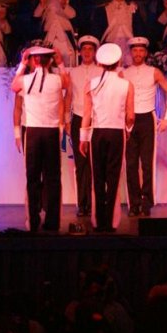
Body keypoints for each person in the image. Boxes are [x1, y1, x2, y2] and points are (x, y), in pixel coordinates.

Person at [11, 45, 69, 232]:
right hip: (51, 132)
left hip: (34, 133)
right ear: (49, 60)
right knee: (53, 178)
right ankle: (52, 222)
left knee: (32, 177)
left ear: (34, 61)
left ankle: (34, 221)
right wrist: (60, 63)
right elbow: (67, 83)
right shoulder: (57, 79)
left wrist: (22, 64)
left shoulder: (25, 80)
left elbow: (13, 86)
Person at [79, 43, 134, 232]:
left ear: (100, 63)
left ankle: (98, 221)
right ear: (118, 62)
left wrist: (83, 138)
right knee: (113, 178)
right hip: (117, 133)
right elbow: (131, 116)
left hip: (98, 133)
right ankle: (111, 222)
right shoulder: (126, 84)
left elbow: (87, 114)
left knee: (98, 177)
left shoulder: (91, 84)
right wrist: (128, 129)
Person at [121, 37, 167, 217]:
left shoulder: (154, 72)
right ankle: (134, 204)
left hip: (147, 118)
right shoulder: (123, 73)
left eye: (141, 50)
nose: (138, 53)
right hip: (129, 120)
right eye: (135, 50)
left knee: (147, 163)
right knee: (131, 163)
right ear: (130, 52)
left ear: (146, 53)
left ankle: (146, 202)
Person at [65, 36, 104, 218]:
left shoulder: (102, 71)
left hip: (97, 120)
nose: (87, 52)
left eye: (90, 49)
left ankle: (97, 203)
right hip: (78, 119)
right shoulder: (72, 72)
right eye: (84, 49)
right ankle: (83, 204)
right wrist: (67, 120)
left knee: (97, 163)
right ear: (79, 52)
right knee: (81, 164)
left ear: (95, 52)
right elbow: (68, 96)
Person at [95, 0, 147, 67]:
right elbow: (97, 31)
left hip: (128, 48)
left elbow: (139, 29)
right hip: (110, 47)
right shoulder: (103, 9)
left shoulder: (132, 8)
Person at [34, 0, 77, 67]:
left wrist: (64, 6)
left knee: (68, 67)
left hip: (66, 38)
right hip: (49, 38)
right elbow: (35, 18)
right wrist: (42, 5)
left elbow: (76, 18)